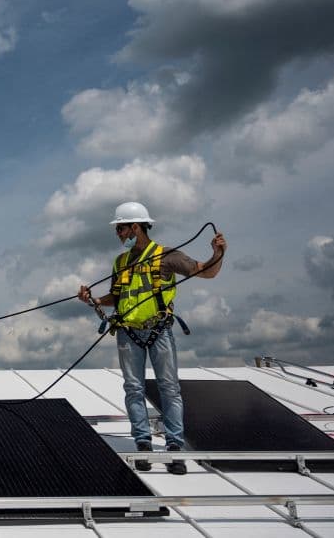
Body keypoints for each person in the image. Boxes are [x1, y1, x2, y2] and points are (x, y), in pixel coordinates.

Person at [77, 202, 226, 475]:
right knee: (133, 389)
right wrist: (94, 300)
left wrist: (218, 253)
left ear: (136, 227)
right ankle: (143, 444)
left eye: (121, 229)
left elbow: (206, 271)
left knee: (169, 389)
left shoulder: (166, 256)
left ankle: (174, 447)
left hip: (159, 331)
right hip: (127, 332)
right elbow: (117, 297)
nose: (118, 234)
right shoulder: (120, 262)